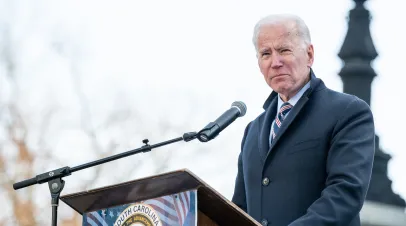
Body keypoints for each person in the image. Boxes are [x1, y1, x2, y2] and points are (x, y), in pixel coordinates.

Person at [231, 14, 375, 226]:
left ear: (309, 54)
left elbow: (344, 195)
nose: (275, 62)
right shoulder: (252, 130)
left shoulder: (348, 112)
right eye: (265, 54)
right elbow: (239, 209)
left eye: (284, 50)